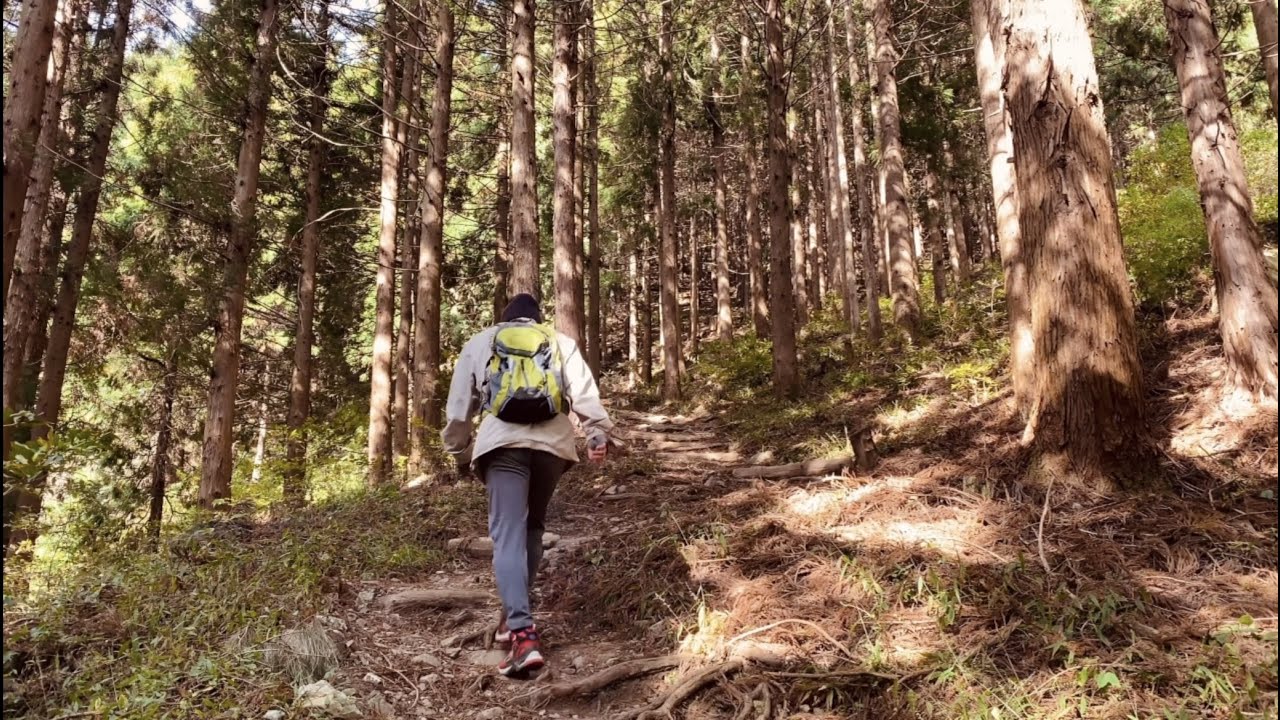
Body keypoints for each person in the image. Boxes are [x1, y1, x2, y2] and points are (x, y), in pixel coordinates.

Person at [441, 293, 613, 676]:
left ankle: (523, 635)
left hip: (502, 444)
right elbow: (584, 393)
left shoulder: (482, 341)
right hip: (553, 446)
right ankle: (510, 620)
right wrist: (597, 434)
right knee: (532, 527)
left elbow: (458, 409)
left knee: (507, 535)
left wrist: (458, 451)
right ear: (537, 320)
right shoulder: (559, 342)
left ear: (506, 319)